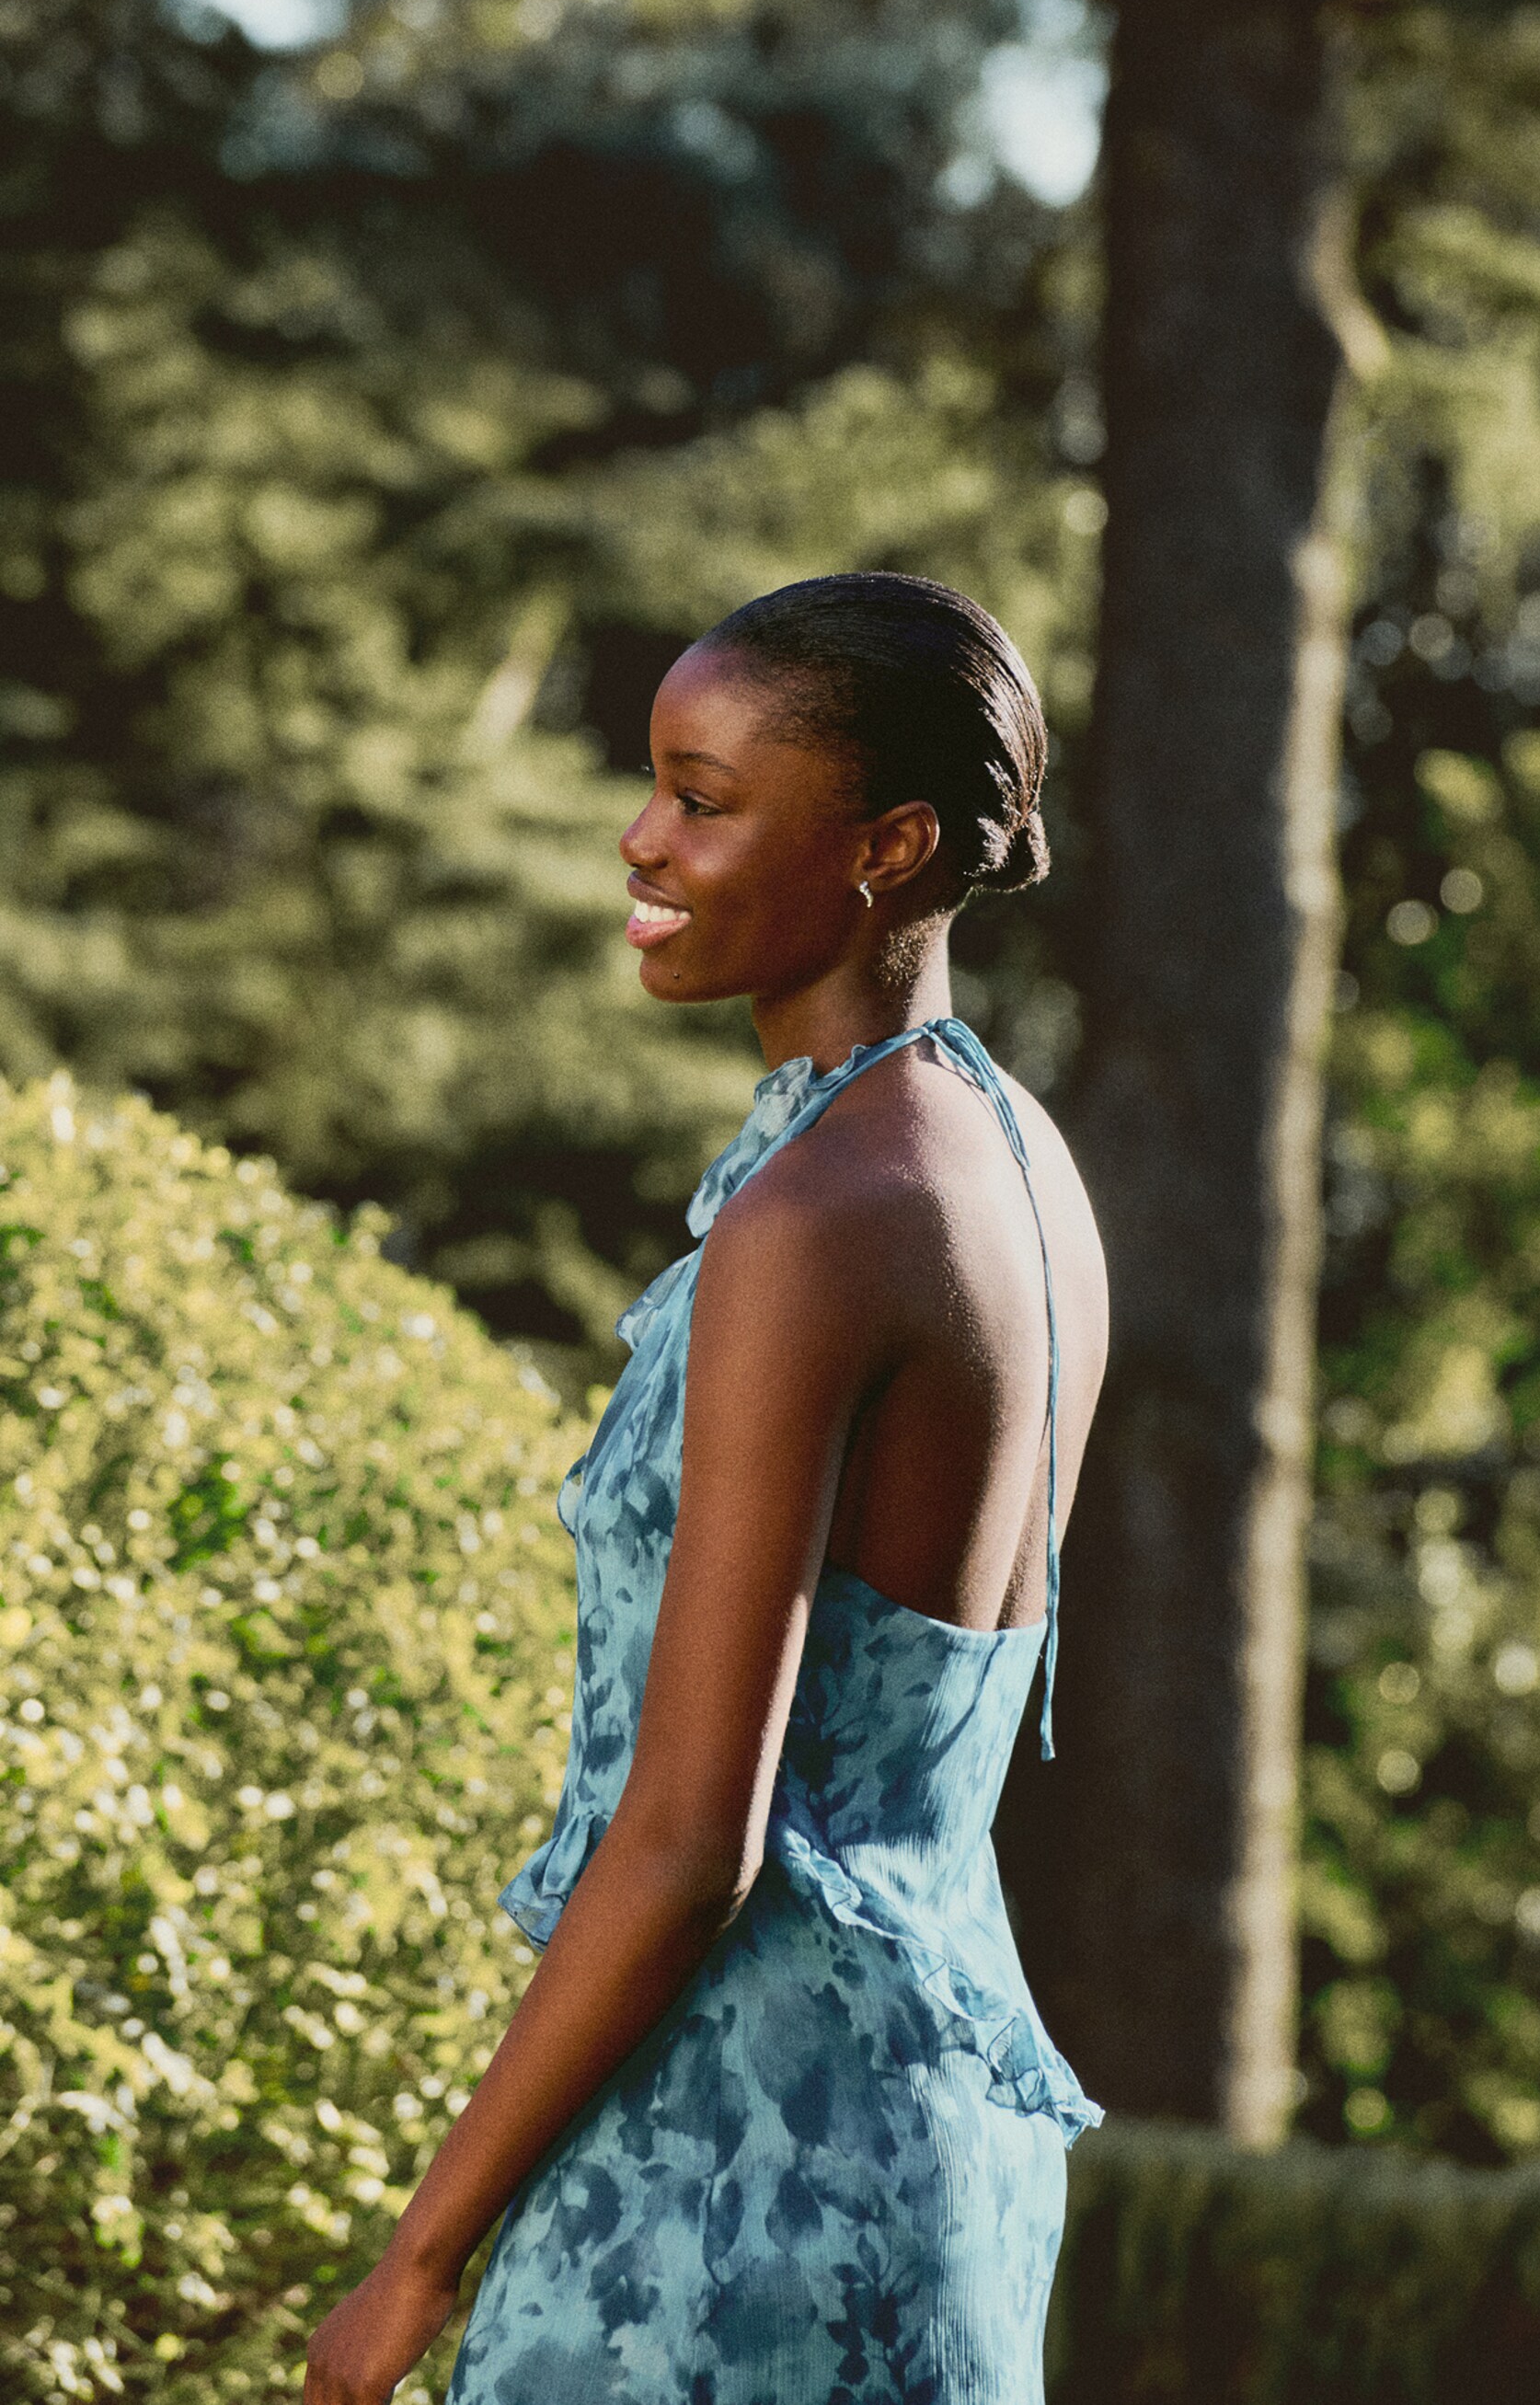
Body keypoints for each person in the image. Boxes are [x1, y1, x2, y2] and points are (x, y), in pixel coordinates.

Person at [303, 571, 1109, 2405]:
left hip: (724, 2201)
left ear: (890, 847)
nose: (640, 835)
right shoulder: (1014, 1163)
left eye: (705, 796)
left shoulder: (816, 1222)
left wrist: (416, 2268)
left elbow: (691, 1842)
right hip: (936, 2170)